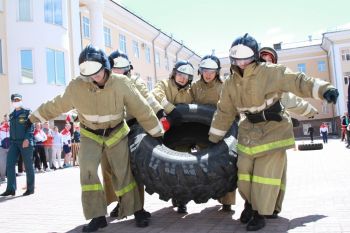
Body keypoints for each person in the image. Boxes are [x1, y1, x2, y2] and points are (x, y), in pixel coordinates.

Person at [208, 33, 339, 231]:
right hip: (248, 131)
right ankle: (250, 204)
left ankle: (261, 214)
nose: (241, 62)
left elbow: (298, 81)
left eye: (245, 57)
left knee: (264, 175)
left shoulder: (272, 72)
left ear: (254, 56)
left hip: (274, 130)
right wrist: (214, 138)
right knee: (244, 170)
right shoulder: (230, 83)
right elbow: (224, 111)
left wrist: (324, 90)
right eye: (237, 57)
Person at [29, 45, 163, 232]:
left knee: (123, 172)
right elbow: (56, 104)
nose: (95, 76)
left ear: (105, 66)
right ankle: (97, 216)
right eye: (89, 72)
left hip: (116, 132)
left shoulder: (122, 83)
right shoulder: (76, 87)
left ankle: (137, 210)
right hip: (90, 135)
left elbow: (142, 109)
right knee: (88, 171)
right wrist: (32, 119)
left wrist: (158, 133)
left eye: (98, 70)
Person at [101, 50, 163, 220]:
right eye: (115, 68)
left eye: (123, 68)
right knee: (108, 169)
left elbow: (147, 98)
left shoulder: (135, 81)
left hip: (132, 129)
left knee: (133, 169)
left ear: (129, 68)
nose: (119, 71)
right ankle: (121, 203)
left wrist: (161, 112)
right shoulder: (104, 83)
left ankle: (138, 209)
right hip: (110, 131)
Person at [190, 54, 236, 212]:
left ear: (217, 72)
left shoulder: (224, 86)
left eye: (212, 71)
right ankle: (208, 195)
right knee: (205, 168)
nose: (208, 74)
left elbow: (233, 109)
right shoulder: (195, 87)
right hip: (202, 133)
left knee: (226, 167)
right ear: (200, 71)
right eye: (205, 70)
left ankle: (227, 201)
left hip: (223, 132)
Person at [152, 60, 194, 213]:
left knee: (182, 168)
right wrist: (170, 109)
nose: (183, 78)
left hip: (183, 135)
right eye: (180, 74)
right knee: (168, 168)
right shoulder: (163, 84)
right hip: (166, 134)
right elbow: (156, 95)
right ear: (175, 73)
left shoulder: (190, 91)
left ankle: (182, 200)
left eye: (186, 76)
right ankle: (171, 194)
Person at [0, 94, 35, 196]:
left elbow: (30, 127)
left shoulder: (27, 112)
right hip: (14, 143)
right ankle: (11, 189)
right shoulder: (11, 115)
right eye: (14, 100)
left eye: (18, 99)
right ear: (12, 102)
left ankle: (30, 189)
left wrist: (27, 139)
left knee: (28, 166)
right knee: (10, 164)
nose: (16, 101)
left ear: (21, 100)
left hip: (25, 142)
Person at [0, 114, 10, 183]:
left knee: (10, 163)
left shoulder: (12, 127)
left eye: (7, 119)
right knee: (2, 163)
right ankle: (3, 177)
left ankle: (10, 177)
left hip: (10, 148)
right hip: (2, 148)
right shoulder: (0, 127)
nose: (6, 120)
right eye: (5, 119)